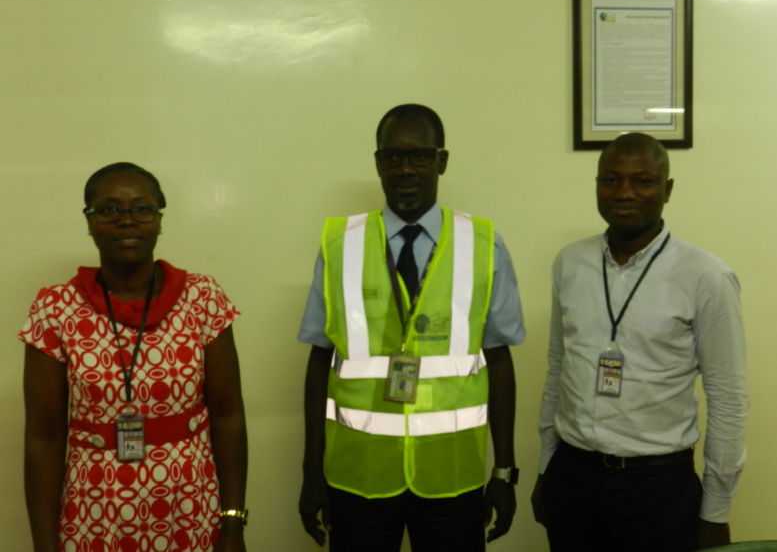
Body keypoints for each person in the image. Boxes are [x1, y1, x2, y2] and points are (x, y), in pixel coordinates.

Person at [297, 104, 526, 551]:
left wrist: (504, 471)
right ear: (378, 162)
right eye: (392, 157)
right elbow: (320, 360)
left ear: (442, 161)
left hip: (452, 479)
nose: (405, 168)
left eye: (420, 156)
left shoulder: (482, 244)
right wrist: (311, 473)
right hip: (357, 477)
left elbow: (498, 360)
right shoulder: (340, 243)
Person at [532, 133, 748, 552]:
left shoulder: (706, 276)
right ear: (596, 185)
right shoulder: (570, 263)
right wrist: (547, 466)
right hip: (573, 475)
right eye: (611, 179)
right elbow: (558, 367)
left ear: (667, 190)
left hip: (658, 487)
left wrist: (716, 511)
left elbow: (728, 397)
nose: (625, 192)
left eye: (643, 181)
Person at [21, 162, 249, 552]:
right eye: (108, 210)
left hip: (190, 508)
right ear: (89, 222)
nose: (127, 221)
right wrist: (44, 543)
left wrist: (232, 523)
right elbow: (44, 436)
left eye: (141, 209)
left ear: (159, 220)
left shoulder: (203, 299)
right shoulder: (55, 308)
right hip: (92, 513)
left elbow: (228, 416)